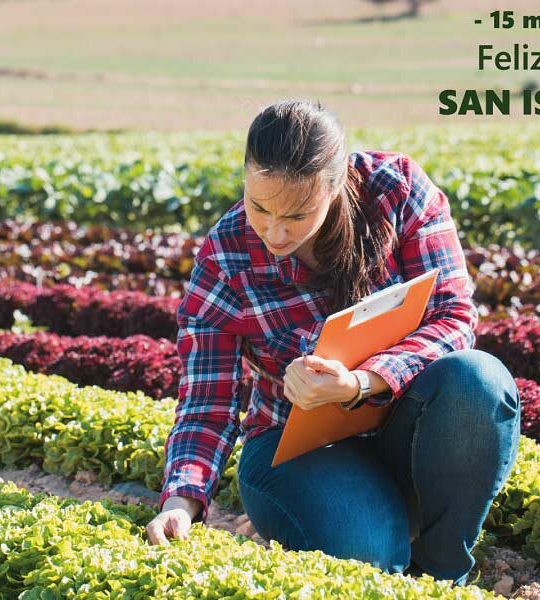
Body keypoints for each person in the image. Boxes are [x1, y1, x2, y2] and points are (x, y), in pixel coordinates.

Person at [144, 99, 521, 585]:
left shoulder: (397, 191)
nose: (275, 231)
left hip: (406, 426)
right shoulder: (226, 255)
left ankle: (443, 570)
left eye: (298, 215)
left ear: (337, 182)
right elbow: (206, 400)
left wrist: (364, 382)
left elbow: (454, 316)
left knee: (478, 379)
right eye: (259, 207)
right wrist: (182, 500)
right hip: (294, 448)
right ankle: (378, 526)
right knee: (371, 555)